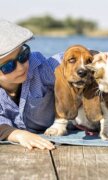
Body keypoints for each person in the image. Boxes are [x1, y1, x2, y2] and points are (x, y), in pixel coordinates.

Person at [0, 19, 64, 150]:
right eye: (8, 66)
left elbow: (67, 60)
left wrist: (98, 57)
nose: (20, 67)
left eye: (22, 56)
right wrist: (17, 134)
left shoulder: (40, 68)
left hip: (64, 127)